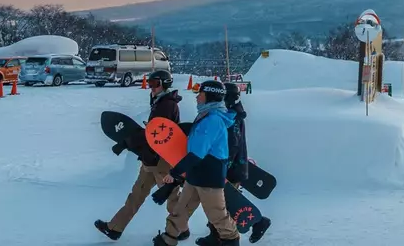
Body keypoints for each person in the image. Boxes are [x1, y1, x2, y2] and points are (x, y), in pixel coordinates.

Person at [94, 69, 184, 241]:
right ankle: (115, 228)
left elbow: (156, 134)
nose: (151, 88)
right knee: (137, 194)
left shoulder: (167, 105)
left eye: (155, 84)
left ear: (164, 84)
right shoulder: (160, 102)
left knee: (172, 198)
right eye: (150, 84)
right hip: (150, 159)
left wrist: (128, 142)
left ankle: (180, 229)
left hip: (161, 160)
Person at [154, 80, 239, 246]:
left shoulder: (212, 120)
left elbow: (197, 154)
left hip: (209, 175)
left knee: (217, 215)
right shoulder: (205, 115)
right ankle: (168, 239)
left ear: (210, 96)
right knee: (181, 209)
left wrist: (174, 172)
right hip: (196, 174)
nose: (197, 97)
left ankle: (231, 241)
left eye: (200, 94)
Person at [220, 82, 271, 243]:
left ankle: (259, 221)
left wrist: (224, 167)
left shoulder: (232, 117)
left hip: (232, 167)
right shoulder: (233, 114)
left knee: (229, 203)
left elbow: (232, 145)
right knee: (223, 202)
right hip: (235, 165)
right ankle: (215, 235)